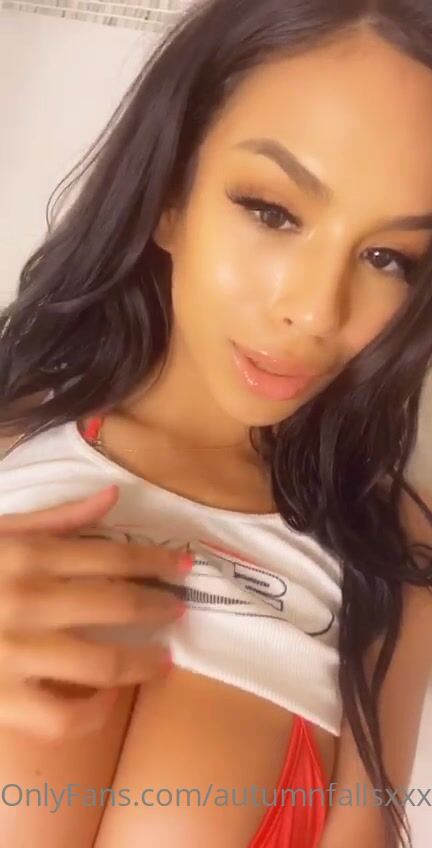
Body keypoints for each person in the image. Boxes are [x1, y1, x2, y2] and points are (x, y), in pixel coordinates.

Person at [0, 1, 432, 846]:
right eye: (272, 211)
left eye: (388, 258)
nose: (315, 311)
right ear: (170, 192)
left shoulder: (392, 553)